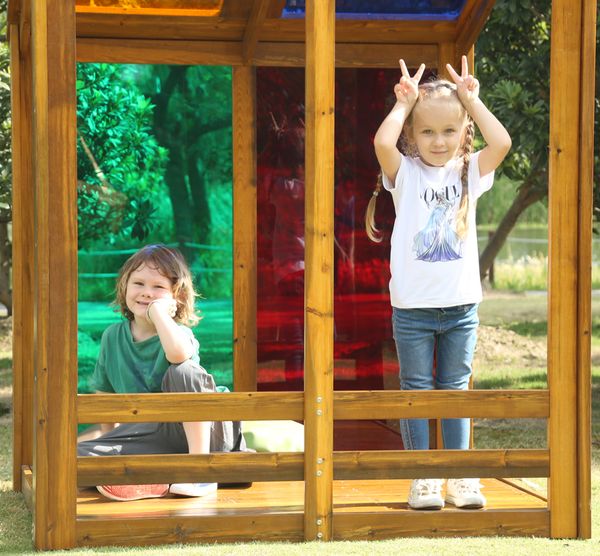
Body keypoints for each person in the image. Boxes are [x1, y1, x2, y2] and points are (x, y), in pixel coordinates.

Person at [367, 57, 511, 510]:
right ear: (412, 135)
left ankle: (461, 475)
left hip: (461, 306)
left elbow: (503, 141)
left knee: (455, 389)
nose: (438, 140)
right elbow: (381, 141)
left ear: (464, 132)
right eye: (427, 131)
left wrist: (472, 101)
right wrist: (403, 104)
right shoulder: (404, 174)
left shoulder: (469, 172)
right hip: (412, 308)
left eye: (449, 131)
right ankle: (423, 477)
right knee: (416, 391)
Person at [78, 244, 245, 502]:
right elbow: (105, 398)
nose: (147, 293)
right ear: (124, 287)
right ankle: (156, 479)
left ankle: (200, 472)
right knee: (77, 457)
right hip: (156, 437)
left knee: (183, 370)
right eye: (139, 283)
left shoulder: (179, 335)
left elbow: (178, 355)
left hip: (209, 430)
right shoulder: (112, 336)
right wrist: (113, 443)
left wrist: (159, 314)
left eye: (158, 287)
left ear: (175, 296)